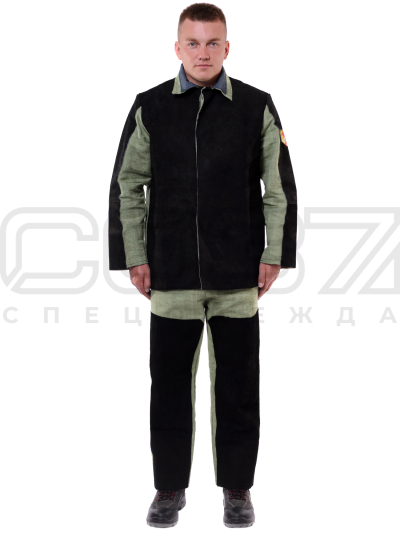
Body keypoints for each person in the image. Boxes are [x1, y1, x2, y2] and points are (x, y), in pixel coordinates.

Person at [108, 2, 297, 528]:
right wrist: (134, 256)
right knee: (168, 388)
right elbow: (127, 185)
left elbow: (279, 187)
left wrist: (274, 254)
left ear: (227, 47)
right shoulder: (150, 106)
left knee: (238, 388)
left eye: (213, 43)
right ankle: (169, 488)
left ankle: (238, 489)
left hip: (238, 275)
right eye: (193, 43)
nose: (203, 53)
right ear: (177, 47)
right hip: (170, 275)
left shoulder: (256, 105)